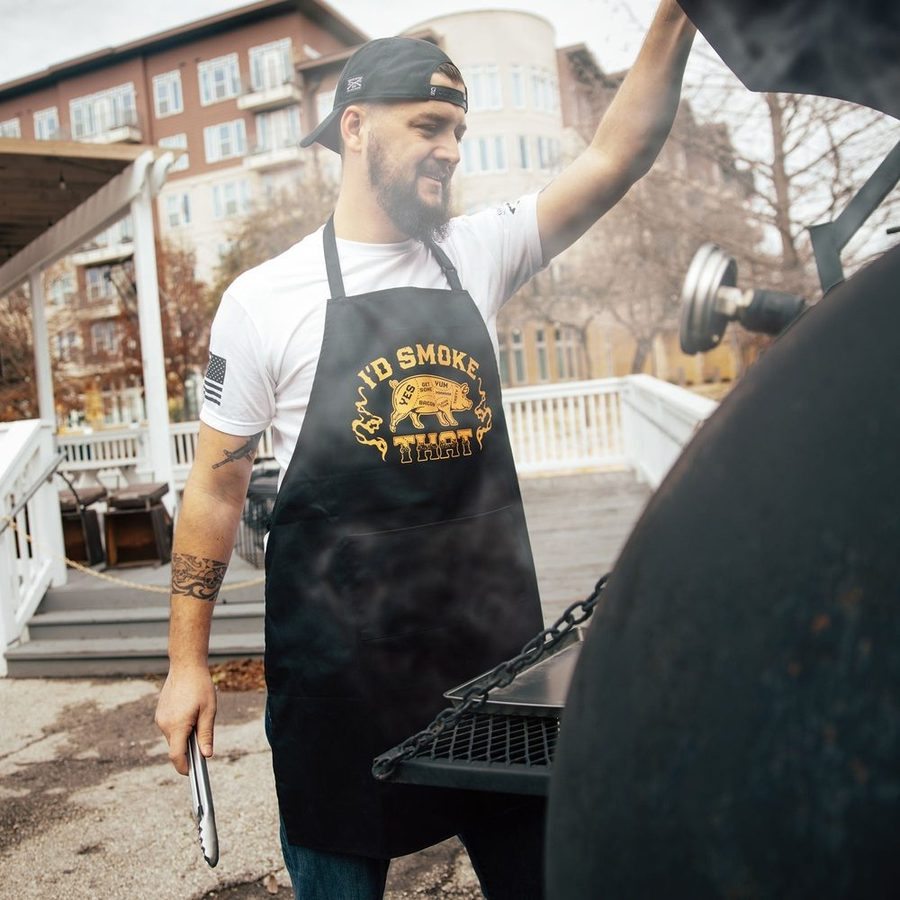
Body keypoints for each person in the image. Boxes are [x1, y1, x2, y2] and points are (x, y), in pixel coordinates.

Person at [155, 3, 696, 897]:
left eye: (459, 131)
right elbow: (215, 492)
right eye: (429, 126)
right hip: (337, 686)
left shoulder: (479, 253)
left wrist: (678, 15)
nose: (451, 149)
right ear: (354, 127)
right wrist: (186, 665)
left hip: (493, 672)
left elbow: (616, 155)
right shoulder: (264, 300)